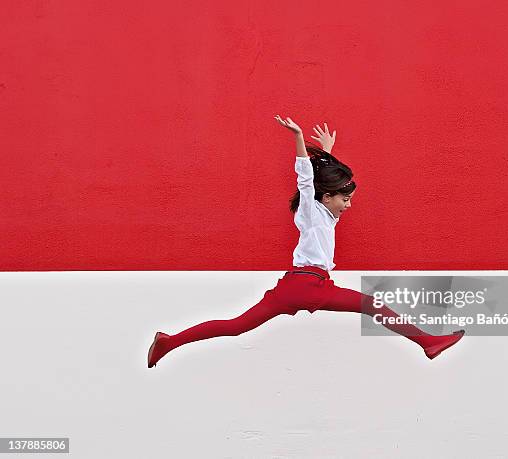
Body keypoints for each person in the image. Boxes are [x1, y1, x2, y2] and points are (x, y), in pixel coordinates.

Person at [147, 115, 464, 368]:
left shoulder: (326, 214)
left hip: (298, 285)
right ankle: (428, 342)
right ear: (326, 197)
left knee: (236, 326)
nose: (349, 205)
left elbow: (323, 181)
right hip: (308, 285)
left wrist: (327, 154)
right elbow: (306, 178)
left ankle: (169, 342)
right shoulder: (312, 212)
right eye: (345, 199)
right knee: (372, 306)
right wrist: (299, 138)